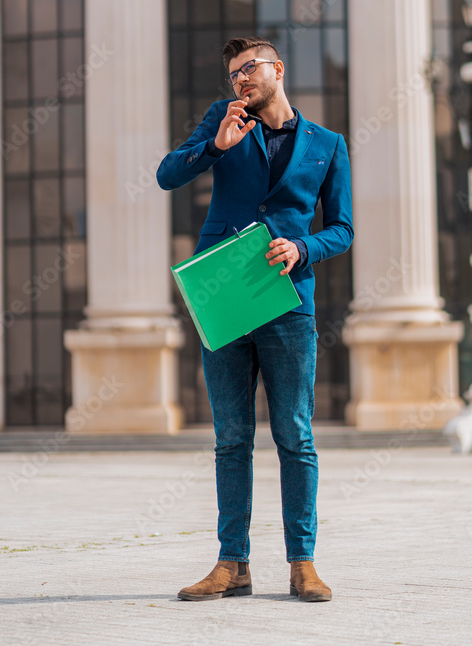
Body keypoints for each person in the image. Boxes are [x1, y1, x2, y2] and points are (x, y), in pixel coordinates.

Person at [156, 36, 354, 603]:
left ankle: (303, 564)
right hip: (223, 296)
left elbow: (342, 228)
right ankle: (232, 565)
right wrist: (215, 147)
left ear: (277, 70)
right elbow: (169, 175)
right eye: (234, 74)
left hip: (288, 302)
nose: (240, 80)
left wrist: (303, 249)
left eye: (249, 69)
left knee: (296, 435)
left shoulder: (327, 144)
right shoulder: (223, 122)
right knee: (231, 439)